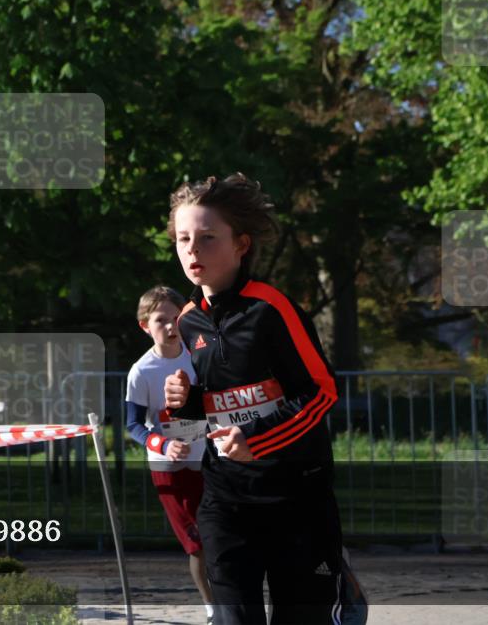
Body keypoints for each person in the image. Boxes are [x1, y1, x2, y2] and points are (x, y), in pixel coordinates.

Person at [163, 173, 345, 625]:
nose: (192, 250)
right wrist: (185, 402)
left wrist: (257, 440)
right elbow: (215, 403)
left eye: (207, 238)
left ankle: (342, 589)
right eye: (184, 238)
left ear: (242, 244)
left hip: (296, 494)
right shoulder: (188, 322)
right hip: (226, 497)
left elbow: (320, 391)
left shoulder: (272, 309)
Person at [126, 285, 214, 624]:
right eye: (161, 320)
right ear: (145, 326)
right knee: (198, 543)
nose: (170, 326)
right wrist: (163, 445)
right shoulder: (141, 371)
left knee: (221, 534)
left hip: (210, 458)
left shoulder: (199, 355)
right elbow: (134, 425)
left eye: (176, 318)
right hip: (170, 468)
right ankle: (212, 609)